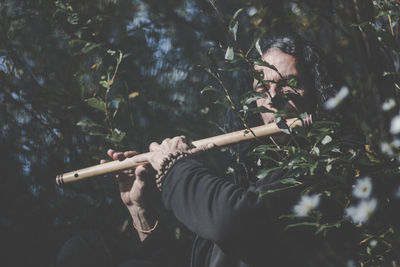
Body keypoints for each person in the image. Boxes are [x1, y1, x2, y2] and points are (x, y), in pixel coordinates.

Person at [57, 35, 346, 267]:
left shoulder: (324, 164)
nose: (271, 98)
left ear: (318, 91)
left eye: (288, 84)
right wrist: (139, 209)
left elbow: (233, 220)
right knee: (84, 249)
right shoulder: (254, 172)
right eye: (262, 87)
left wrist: (174, 167)